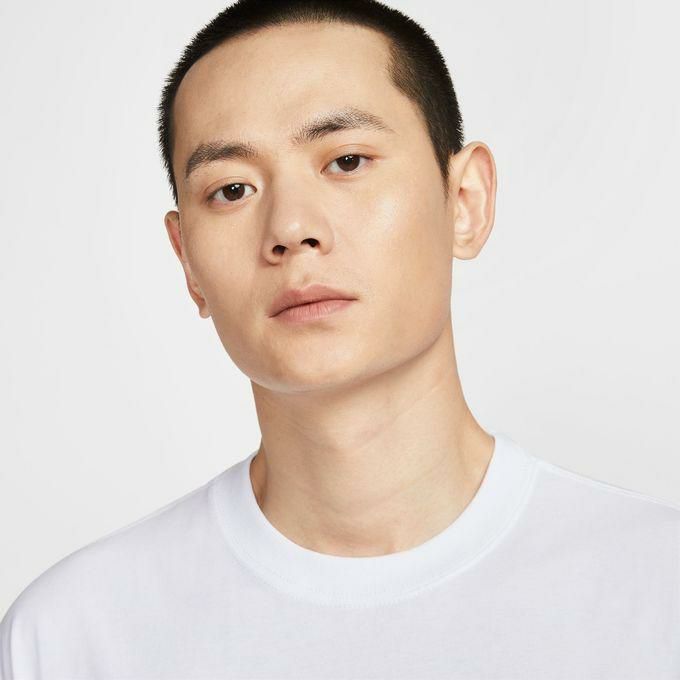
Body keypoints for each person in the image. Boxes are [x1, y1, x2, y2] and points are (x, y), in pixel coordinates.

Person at [1, 0, 678, 677]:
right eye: (232, 190)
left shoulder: (655, 588)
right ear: (188, 263)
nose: (290, 228)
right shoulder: (72, 636)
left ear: (465, 202)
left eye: (347, 161)